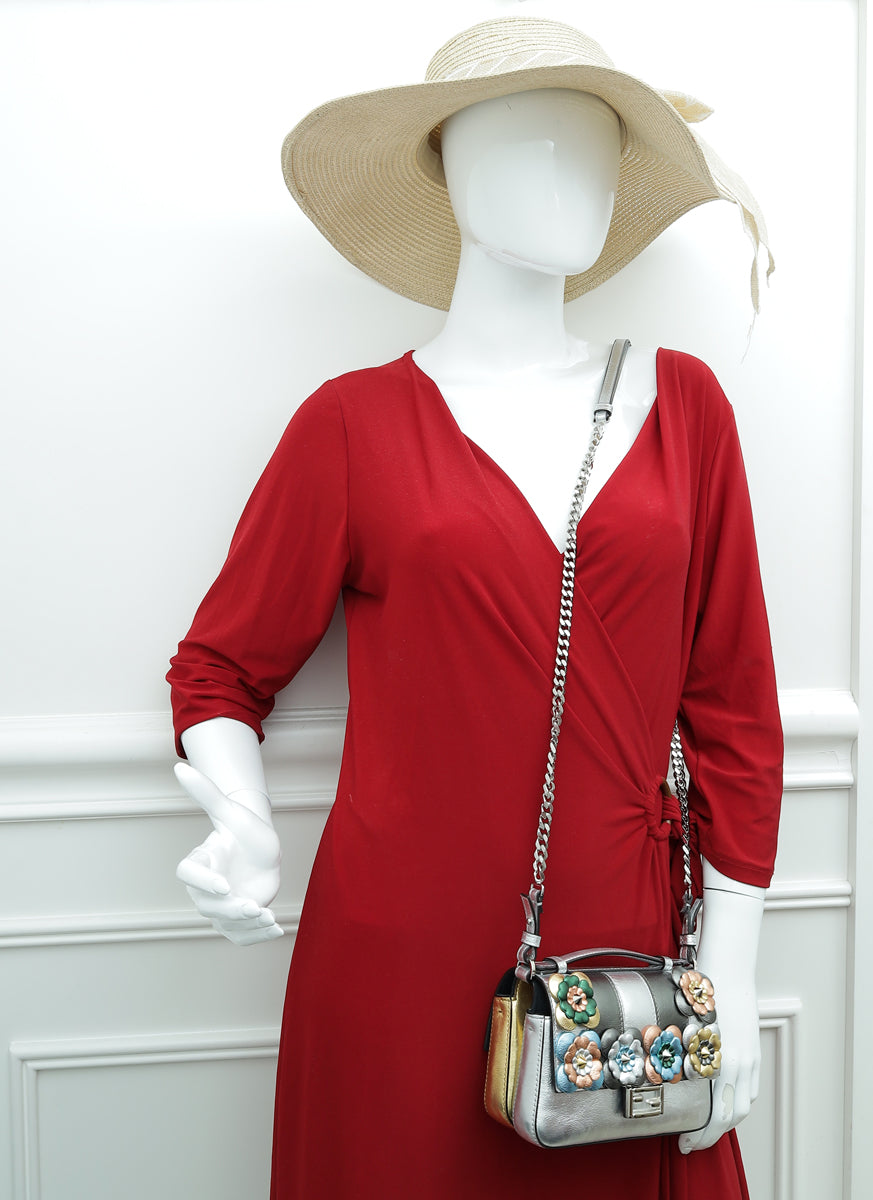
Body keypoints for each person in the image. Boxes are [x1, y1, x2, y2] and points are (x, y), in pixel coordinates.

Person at [167, 18, 782, 1199]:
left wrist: (737, 973)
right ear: (446, 171)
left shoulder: (686, 408)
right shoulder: (351, 426)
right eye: (527, 140)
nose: (572, 175)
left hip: (624, 967)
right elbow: (218, 670)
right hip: (397, 952)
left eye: (597, 147)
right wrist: (242, 817)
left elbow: (737, 716)